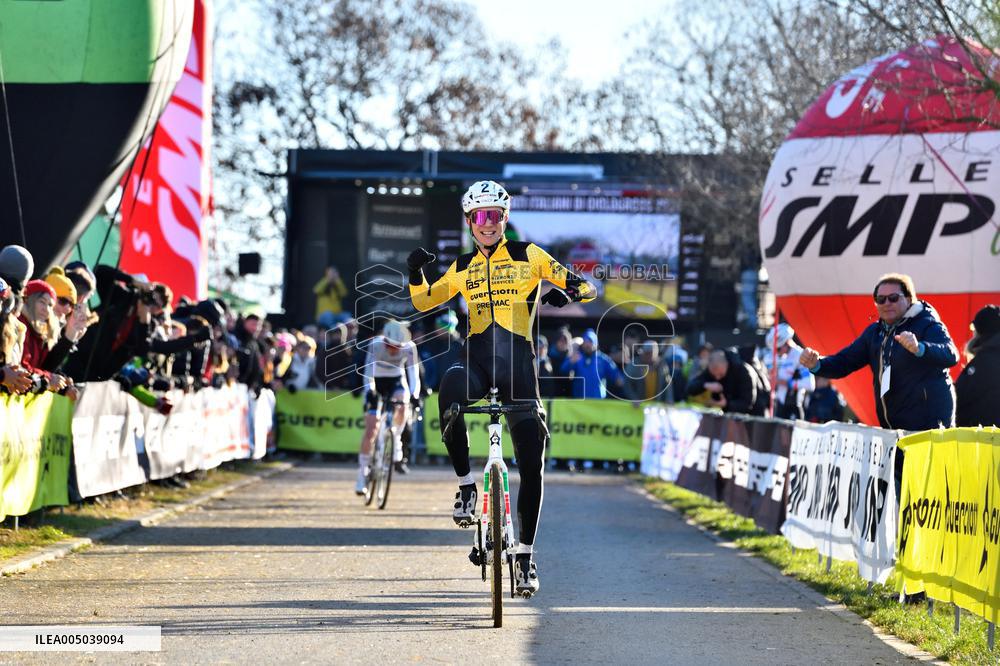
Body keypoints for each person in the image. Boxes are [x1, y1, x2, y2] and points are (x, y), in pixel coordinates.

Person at [406, 179, 595, 597]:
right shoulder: (462, 266)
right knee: (449, 389)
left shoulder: (529, 255)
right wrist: (415, 272)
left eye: (494, 215)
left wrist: (568, 295)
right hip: (477, 363)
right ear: (470, 222)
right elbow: (423, 301)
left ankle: (525, 556)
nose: (487, 223)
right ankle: (465, 487)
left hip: (519, 370)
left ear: (505, 218)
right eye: (479, 216)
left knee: (532, 462)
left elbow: (586, 286)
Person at [799, 273, 959, 431]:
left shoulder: (926, 322)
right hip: (893, 430)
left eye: (893, 298)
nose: (887, 303)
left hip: (929, 428)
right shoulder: (874, 332)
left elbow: (951, 355)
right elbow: (844, 362)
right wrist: (817, 364)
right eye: (880, 299)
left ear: (909, 299)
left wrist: (920, 348)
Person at [355, 319, 421, 491]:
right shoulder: (375, 344)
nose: (394, 350)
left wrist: (414, 395)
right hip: (376, 381)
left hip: (396, 380)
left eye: (398, 347)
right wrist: (370, 391)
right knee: (371, 429)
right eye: (390, 346)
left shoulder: (409, 347)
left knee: (403, 403)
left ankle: (396, 439)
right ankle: (362, 473)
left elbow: (413, 374)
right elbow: (368, 372)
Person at [955, 305, 999, 427]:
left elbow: (960, 397)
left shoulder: (984, 361)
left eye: (973, 328)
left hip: (982, 433)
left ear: (982, 330)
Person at [686, 348, 766, 416]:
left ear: (727, 364)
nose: (717, 378)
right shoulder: (712, 371)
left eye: (720, 375)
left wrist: (726, 404)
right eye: (714, 375)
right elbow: (690, 388)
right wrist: (705, 385)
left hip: (752, 416)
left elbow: (747, 403)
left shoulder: (744, 371)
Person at [760, 323, 815, 420]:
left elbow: (810, 384)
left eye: (778, 349)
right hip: (779, 406)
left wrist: (786, 383)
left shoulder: (800, 355)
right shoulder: (778, 357)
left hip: (794, 406)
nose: (776, 353)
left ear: (787, 343)